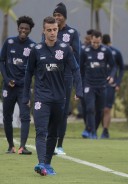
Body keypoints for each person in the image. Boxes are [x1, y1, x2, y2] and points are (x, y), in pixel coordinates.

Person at [23, 16, 83, 176]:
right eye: (49, 30)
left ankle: (47, 163)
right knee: (41, 131)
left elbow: (76, 69)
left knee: (53, 133)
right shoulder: (36, 50)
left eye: (55, 29)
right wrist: (25, 96)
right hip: (41, 98)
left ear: (58, 30)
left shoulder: (65, 49)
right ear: (43, 31)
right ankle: (41, 163)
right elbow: (28, 73)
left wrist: (79, 90)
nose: (52, 33)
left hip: (59, 98)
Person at [0, 16, 35, 155]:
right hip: (8, 87)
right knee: (7, 116)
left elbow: (35, 67)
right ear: (18, 28)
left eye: (26, 29)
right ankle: (11, 146)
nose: (23, 30)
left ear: (30, 30)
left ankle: (22, 147)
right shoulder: (9, 42)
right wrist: (7, 79)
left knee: (25, 116)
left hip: (24, 88)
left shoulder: (33, 46)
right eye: (21, 28)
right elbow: (1, 61)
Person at [52, 2, 81, 155]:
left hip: (66, 75)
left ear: (64, 17)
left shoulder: (72, 33)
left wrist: (64, 48)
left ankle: (60, 145)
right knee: (50, 108)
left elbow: (76, 54)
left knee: (63, 111)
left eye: (59, 15)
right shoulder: (49, 31)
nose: (57, 18)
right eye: (55, 15)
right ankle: (49, 140)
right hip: (51, 74)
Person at [80, 30, 117, 139]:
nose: (95, 45)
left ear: (100, 40)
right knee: (90, 108)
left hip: (102, 85)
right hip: (89, 84)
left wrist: (111, 76)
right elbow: (80, 68)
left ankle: (93, 129)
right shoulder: (85, 51)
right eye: (93, 42)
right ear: (91, 40)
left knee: (100, 110)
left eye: (98, 42)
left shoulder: (106, 51)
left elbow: (113, 66)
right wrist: (81, 83)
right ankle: (92, 132)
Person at [100, 34, 124, 138]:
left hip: (110, 84)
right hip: (98, 83)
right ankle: (93, 129)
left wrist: (118, 83)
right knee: (98, 108)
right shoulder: (98, 51)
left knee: (107, 109)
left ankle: (105, 130)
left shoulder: (116, 52)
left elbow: (121, 68)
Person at [79, 29, 95, 136]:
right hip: (85, 82)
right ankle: (88, 128)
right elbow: (79, 67)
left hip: (98, 84)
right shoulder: (83, 50)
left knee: (93, 108)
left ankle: (91, 129)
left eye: (89, 39)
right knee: (86, 107)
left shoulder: (101, 50)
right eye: (86, 38)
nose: (86, 40)